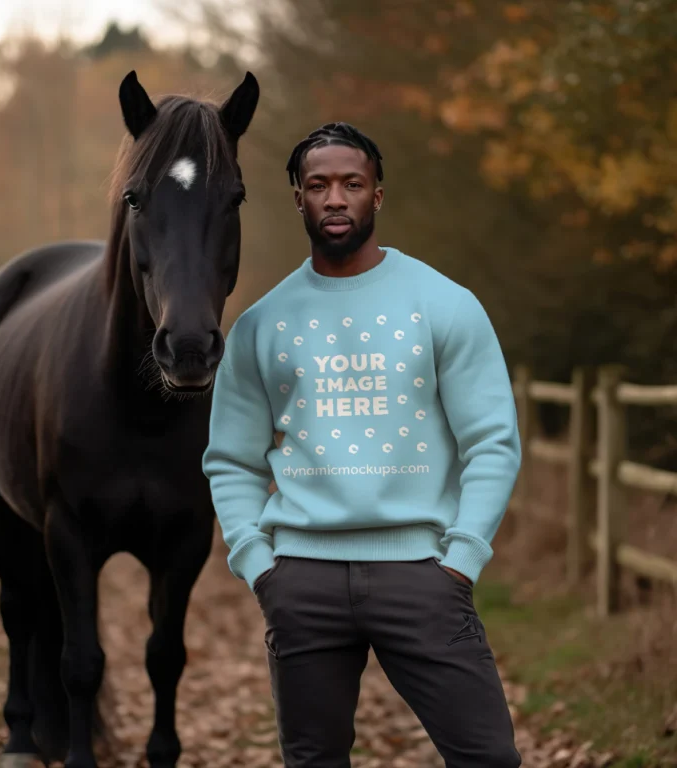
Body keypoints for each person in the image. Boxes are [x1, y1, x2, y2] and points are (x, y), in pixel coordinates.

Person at [202, 122, 522, 768]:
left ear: (379, 195)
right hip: (301, 582)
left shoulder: (444, 305)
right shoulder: (261, 325)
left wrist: (461, 560)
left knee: (490, 759)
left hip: (424, 577)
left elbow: (491, 442)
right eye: (318, 185)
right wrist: (259, 565)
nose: (336, 198)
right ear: (298, 197)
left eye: (352, 183)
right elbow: (230, 461)